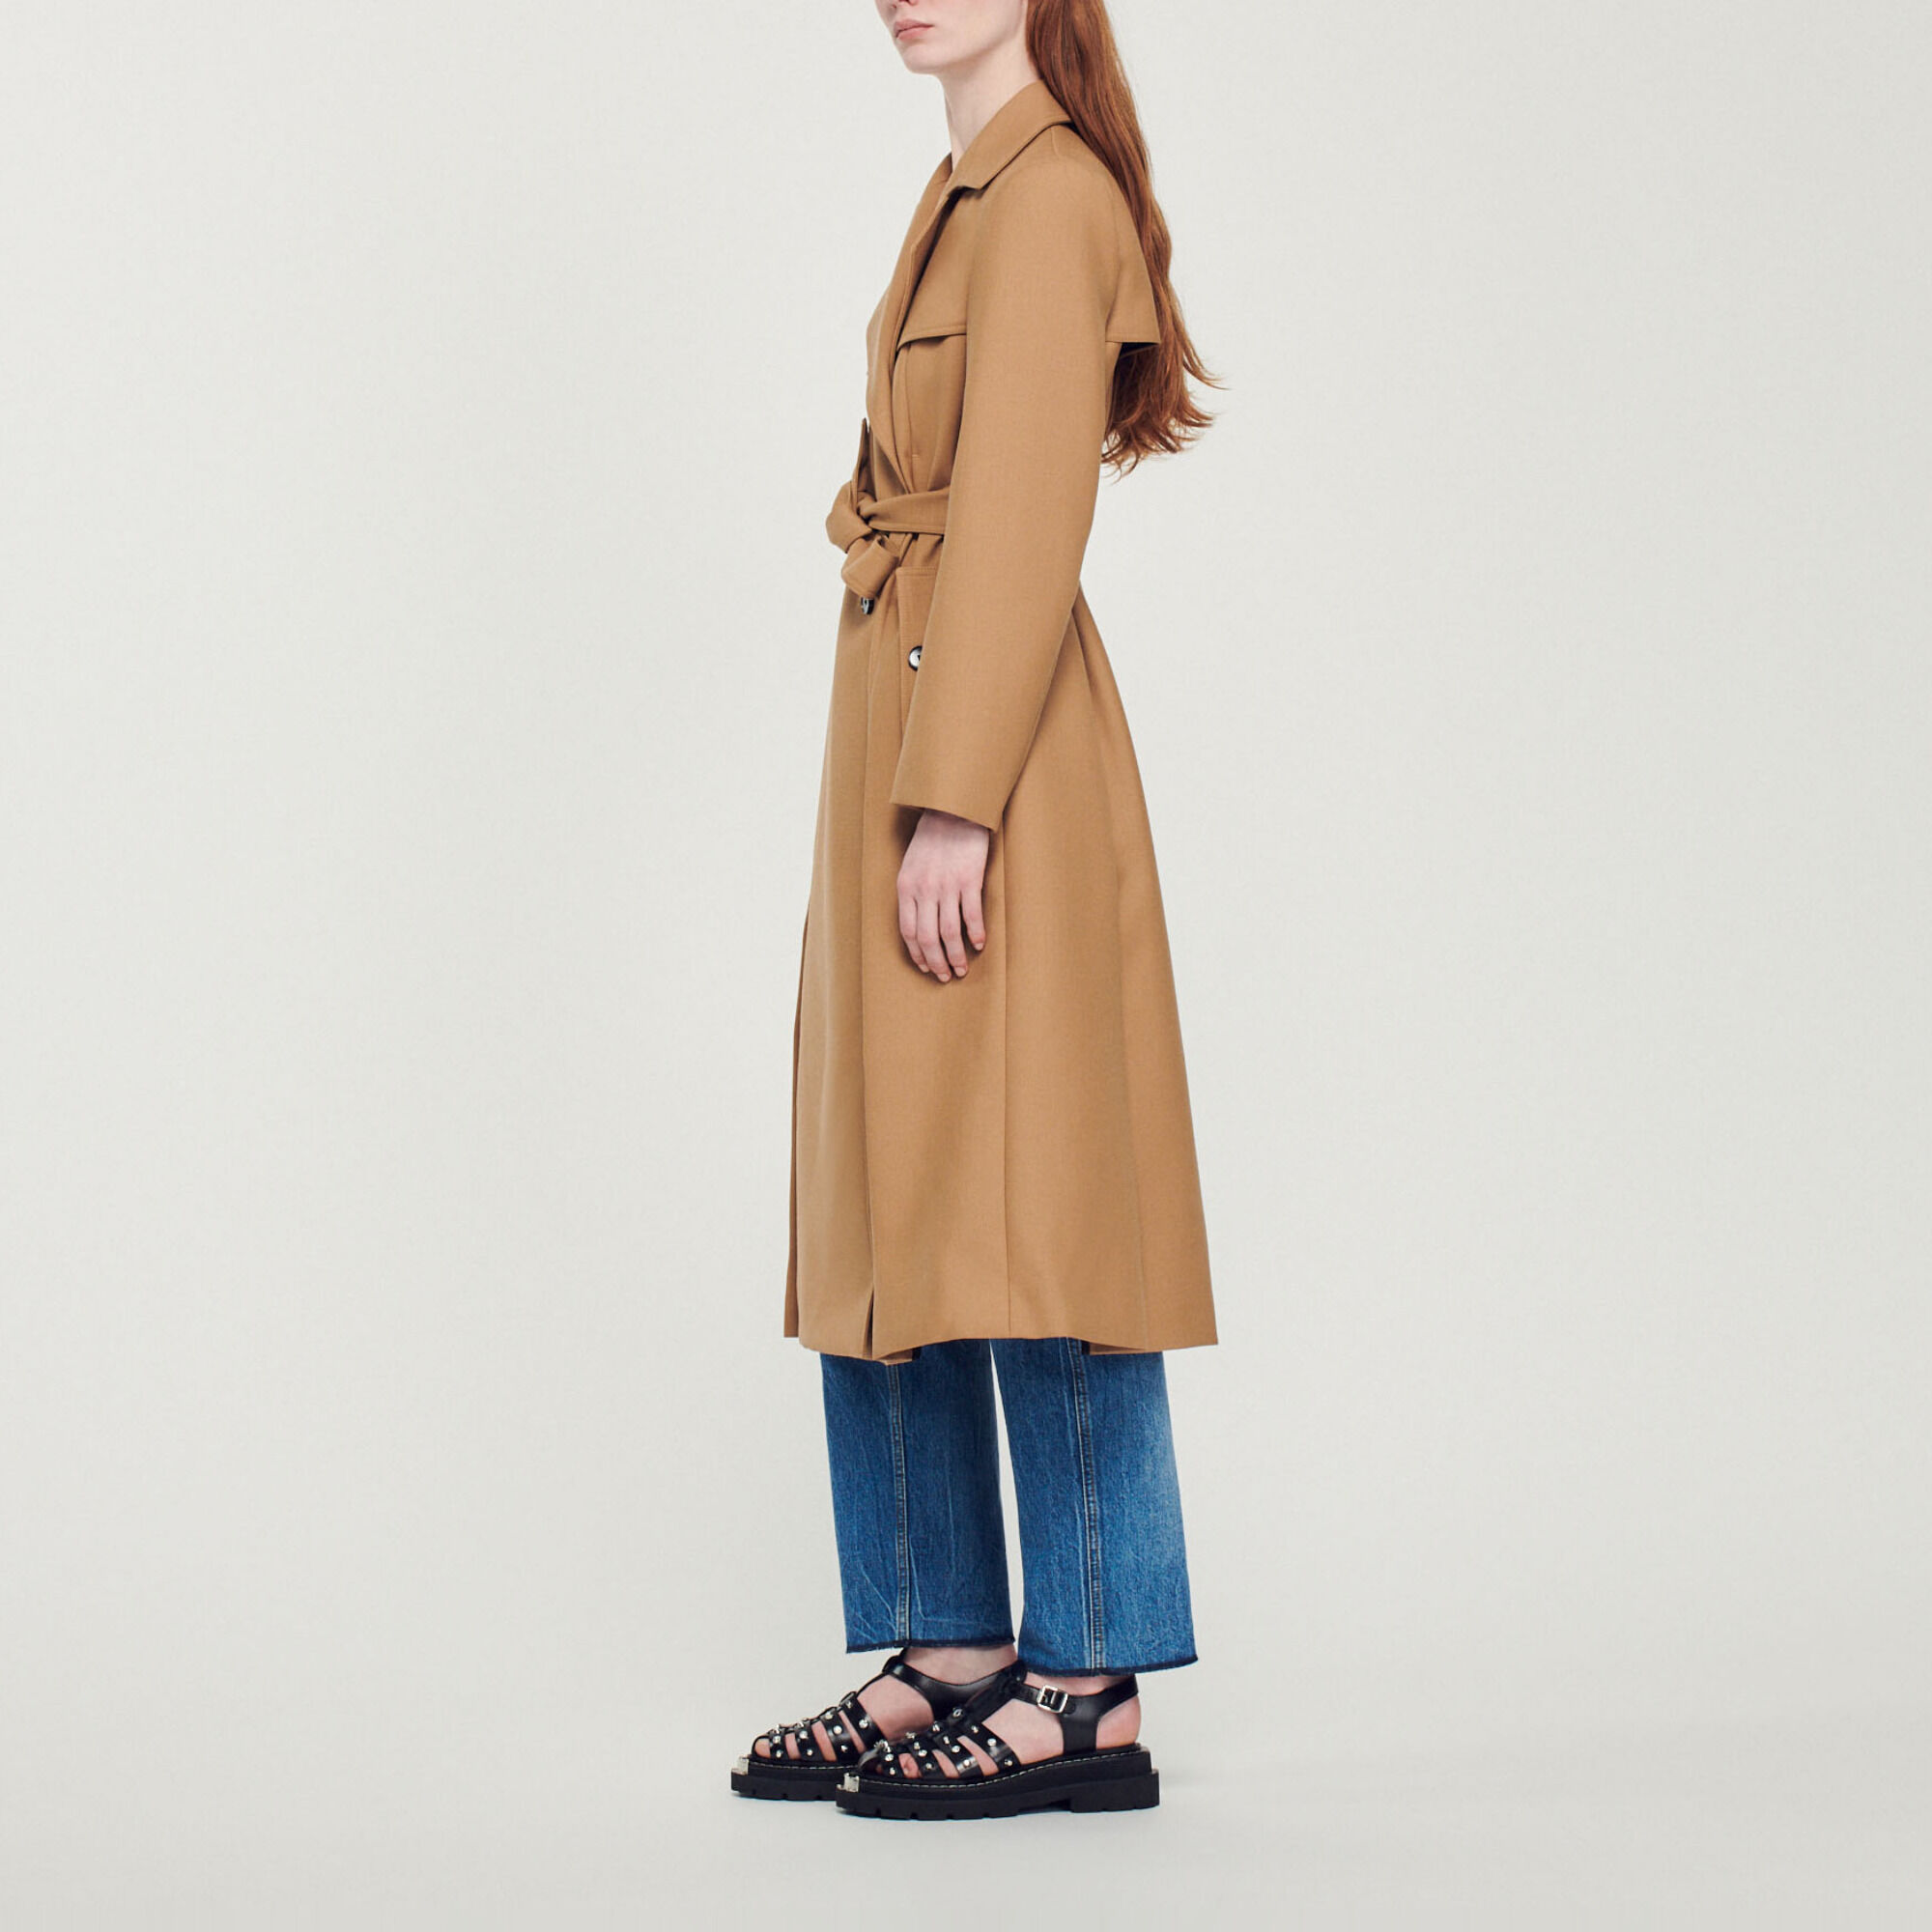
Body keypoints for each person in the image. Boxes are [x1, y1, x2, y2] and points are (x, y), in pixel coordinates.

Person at [732, 0, 1222, 1821]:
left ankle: (1088, 1683)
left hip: (984, 751)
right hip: (908, 713)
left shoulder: (1050, 195)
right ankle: (947, 1643)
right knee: (901, 1191)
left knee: (1045, 1200)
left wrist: (957, 798)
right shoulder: (964, 191)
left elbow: (1024, 513)